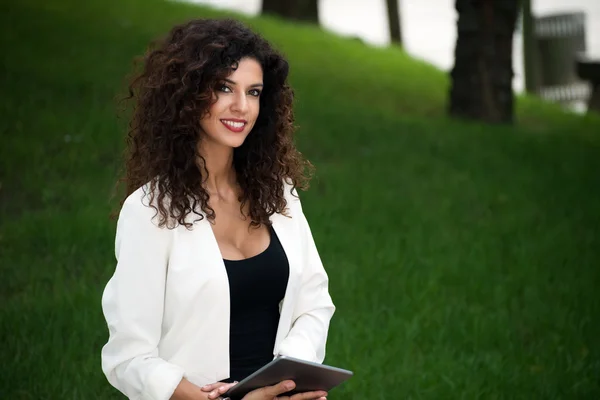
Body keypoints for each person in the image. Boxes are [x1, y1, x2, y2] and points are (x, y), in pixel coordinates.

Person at [100, 17, 336, 400]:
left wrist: (286, 381)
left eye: (254, 92)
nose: (242, 106)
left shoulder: (278, 194)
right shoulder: (149, 210)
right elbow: (129, 357)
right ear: (188, 94)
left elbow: (314, 302)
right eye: (224, 88)